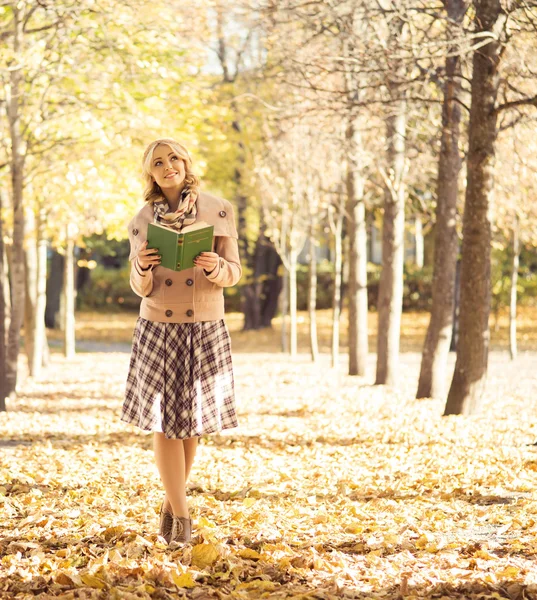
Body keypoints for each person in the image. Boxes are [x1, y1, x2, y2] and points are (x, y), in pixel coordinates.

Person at [120, 138, 242, 546]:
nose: (168, 165)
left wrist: (217, 266)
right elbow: (140, 287)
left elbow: (235, 272)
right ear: (150, 173)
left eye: (174, 158)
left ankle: (171, 505)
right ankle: (183, 516)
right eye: (158, 162)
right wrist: (141, 266)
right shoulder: (141, 220)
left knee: (191, 425)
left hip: (204, 325)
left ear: (186, 162)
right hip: (159, 326)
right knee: (164, 421)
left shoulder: (218, 209)